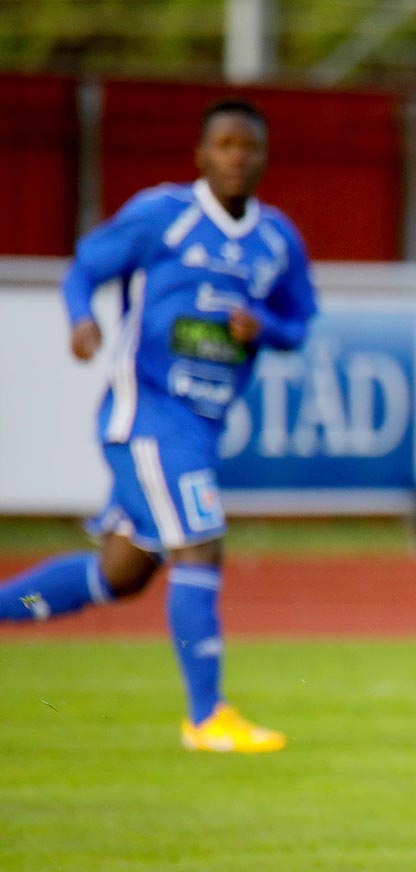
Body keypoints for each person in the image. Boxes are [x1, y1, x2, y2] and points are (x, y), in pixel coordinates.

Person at [0, 98, 318, 752]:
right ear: (201, 155)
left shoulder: (276, 239)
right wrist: (81, 317)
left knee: (123, 572)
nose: (236, 156)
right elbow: (87, 266)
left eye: (247, 146)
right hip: (147, 412)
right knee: (201, 540)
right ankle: (207, 717)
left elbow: (300, 323)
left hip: (200, 423)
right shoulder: (163, 216)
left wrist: (266, 328)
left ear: (262, 158)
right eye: (224, 144)